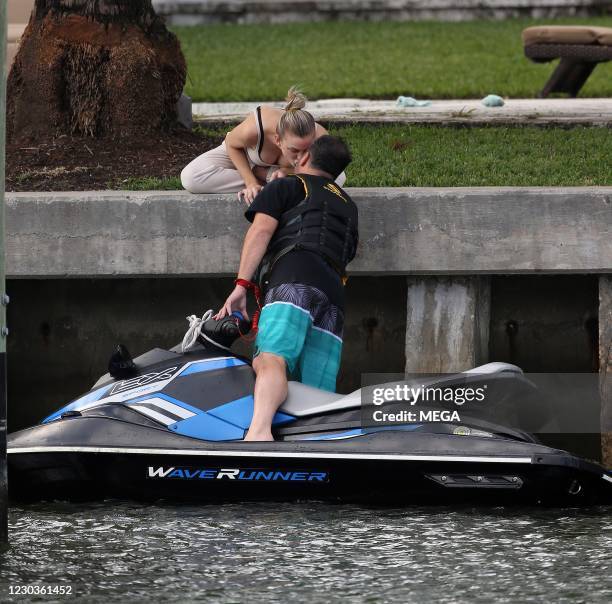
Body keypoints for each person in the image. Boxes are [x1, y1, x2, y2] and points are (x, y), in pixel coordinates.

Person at [215, 135, 358, 441]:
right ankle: (311, 448)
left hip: (294, 279)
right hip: (333, 295)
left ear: (304, 157)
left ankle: (259, 433)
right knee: (315, 387)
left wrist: (242, 285)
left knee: (271, 359)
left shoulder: (288, 186)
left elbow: (261, 230)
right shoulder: (348, 205)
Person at [180, 87, 346, 204]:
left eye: (306, 150)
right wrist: (250, 182)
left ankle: (271, 180)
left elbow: (321, 172)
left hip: (276, 173)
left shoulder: (320, 137)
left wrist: (285, 171)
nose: (301, 157)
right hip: (244, 154)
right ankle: (268, 181)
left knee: (338, 178)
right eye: (294, 150)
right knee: (191, 177)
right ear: (278, 140)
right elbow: (232, 145)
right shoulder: (254, 129)